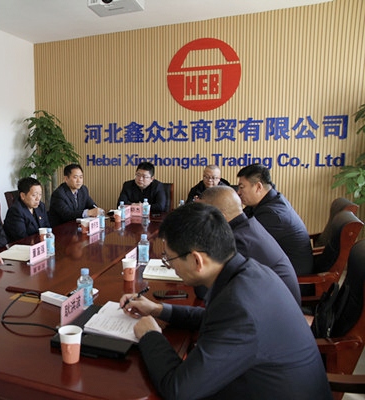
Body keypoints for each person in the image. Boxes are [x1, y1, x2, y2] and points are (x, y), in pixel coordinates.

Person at [119, 202, 331, 400]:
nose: (170, 266)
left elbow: (178, 389)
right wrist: (157, 309)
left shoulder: (239, 308)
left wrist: (150, 335)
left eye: (169, 259)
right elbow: (214, 318)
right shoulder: (250, 271)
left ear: (196, 260)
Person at [198, 186, 301, 305]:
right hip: (270, 304)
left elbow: (206, 291)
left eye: (202, 216)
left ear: (220, 217)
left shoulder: (239, 242)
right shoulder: (248, 227)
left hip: (277, 310)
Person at [236, 163, 313, 275]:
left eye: (242, 187)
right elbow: (240, 222)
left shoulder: (272, 214)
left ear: (258, 187)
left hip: (292, 276)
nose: (238, 192)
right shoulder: (269, 200)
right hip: (278, 268)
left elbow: (244, 242)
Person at [3, 177, 50, 242]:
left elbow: (47, 227)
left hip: (40, 243)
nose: (38, 198)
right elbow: (22, 238)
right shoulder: (16, 211)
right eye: (34, 195)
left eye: (40, 194)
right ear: (23, 196)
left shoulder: (41, 206)